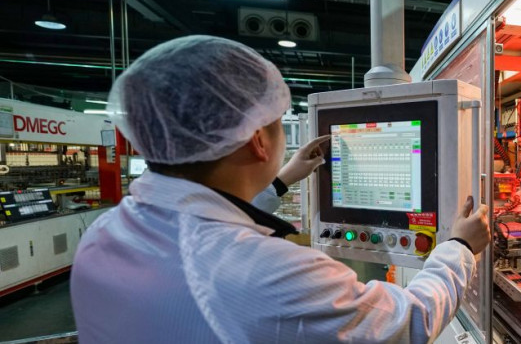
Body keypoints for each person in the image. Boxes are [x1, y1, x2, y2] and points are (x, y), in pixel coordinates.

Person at [70, 35, 491, 344]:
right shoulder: (272, 274)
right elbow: (407, 323)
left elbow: (205, 227)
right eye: (277, 120)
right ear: (257, 139)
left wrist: (280, 181)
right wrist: (458, 246)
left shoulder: (104, 235)